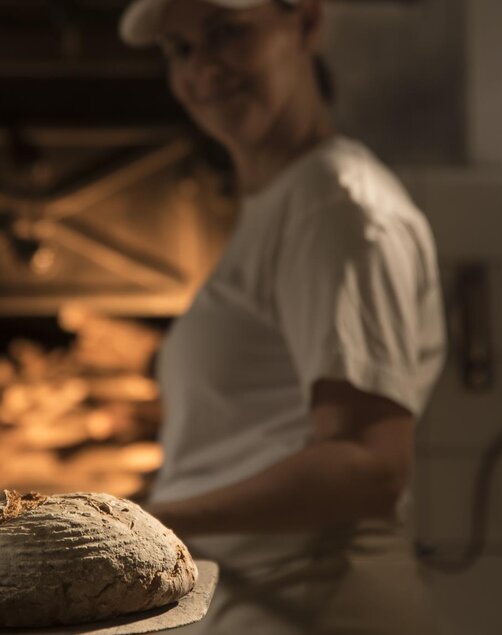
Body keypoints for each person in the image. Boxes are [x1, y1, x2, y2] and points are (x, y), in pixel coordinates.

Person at [118, 0, 447, 632]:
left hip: (315, 597)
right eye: (181, 49)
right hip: (272, 596)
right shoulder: (289, 200)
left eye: (227, 33)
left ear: (307, 23)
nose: (205, 69)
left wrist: (145, 518)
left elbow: (367, 465)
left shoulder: (334, 206)